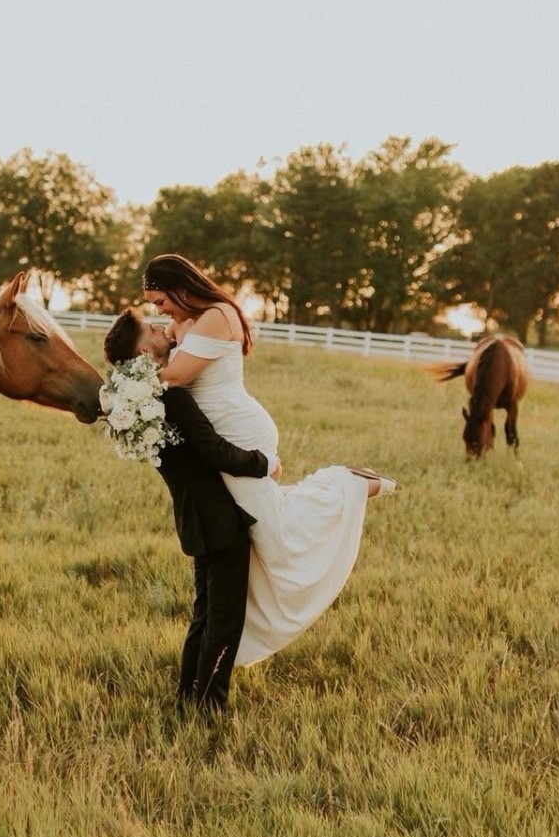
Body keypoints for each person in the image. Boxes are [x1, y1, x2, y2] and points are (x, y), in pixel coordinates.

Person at [142, 253, 393, 667]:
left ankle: (347, 485)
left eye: (160, 301)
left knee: (273, 530)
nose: (158, 311)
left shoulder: (218, 315)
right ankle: (216, 649)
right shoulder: (182, 321)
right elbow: (152, 343)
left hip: (239, 432)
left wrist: (125, 382)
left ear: (182, 289)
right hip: (214, 435)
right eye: (154, 305)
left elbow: (174, 376)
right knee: (251, 532)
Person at [102, 310, 275, 712]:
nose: (162, 328)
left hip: (195, 517)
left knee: (206, 614)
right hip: (219, 518)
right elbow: (213, 450)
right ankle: (209, 708)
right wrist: (264, 464)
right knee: (224, 621)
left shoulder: (145, 401)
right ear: (145, 350)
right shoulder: (172, 396)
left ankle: (188, 698)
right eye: (152, 329)